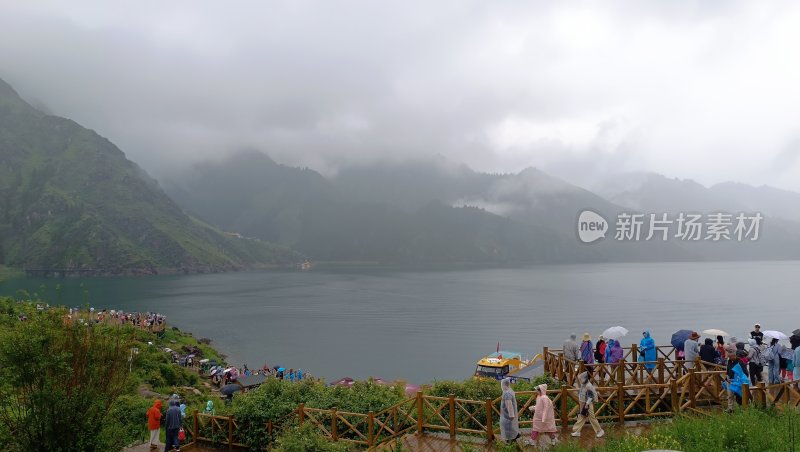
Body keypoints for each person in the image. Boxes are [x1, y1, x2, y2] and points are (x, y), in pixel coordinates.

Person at [571, 371, 604, 438]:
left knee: (592, 418)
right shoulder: (584, 384)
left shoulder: (588, 386)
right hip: (583, 403)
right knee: (582, 417)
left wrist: (586, 404)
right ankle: (577, 431)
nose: (580, 380)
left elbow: (590, 396)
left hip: (587, 404)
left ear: (584, 378)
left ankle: (600, 431)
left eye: (581, 379)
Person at [499, 378, 520, 443]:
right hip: (508, 415)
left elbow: (509, 406)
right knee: (511, 427)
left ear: (504, 385)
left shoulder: (507, 393)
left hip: (508, 416)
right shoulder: (509, 391)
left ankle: (509, 441)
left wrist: (511, 415)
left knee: (507, 428)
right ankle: (514, 437)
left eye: (502, 385)